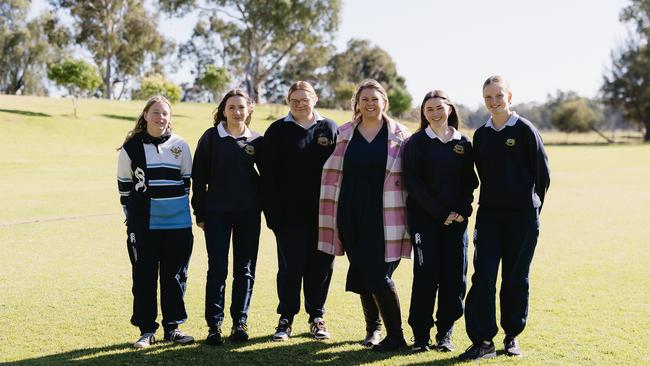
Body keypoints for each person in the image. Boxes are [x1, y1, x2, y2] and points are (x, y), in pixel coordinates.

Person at [459, 75, 550, 361]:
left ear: (509, 97)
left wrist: (531, 209)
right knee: (483, 276)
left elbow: (542, 175)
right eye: (488, 97)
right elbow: (479, 175)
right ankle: (483, 340)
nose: (493, 101)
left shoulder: (525, 130)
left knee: (515, 277)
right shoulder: (482, 135)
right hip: (489, 217)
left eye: (498, 96)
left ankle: (512, 336)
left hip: (523, 217)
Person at [318, 79, 411, 352]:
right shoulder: (344, 133)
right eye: (364, 99)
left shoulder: (400, 135)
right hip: (349, 213)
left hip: (387, 215)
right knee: (363, 271)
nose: (370, 104)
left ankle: (397, 335)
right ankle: (373, 330)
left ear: (385, 102)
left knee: (379, 273)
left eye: (375, 99)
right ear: (356, 103)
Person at [403, 90, 479, 353]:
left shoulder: (463, 143)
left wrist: (460, 212)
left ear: (449, 109)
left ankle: (445, 333)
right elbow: (414, 184)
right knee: (426, 276)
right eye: (429, 109)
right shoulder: (416, 143)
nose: (434, 113)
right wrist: (440, 213)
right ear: (424, 114)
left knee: (454, 278)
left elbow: (469, 182)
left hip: (456, 223)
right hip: (425, 222)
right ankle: (421, 335)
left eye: (438, 107)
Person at [117, 95, 194, 348]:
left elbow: (186, 182)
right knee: (144, 276)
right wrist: (135, 221)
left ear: (169, 118)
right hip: (144, 224)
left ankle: (173, 328)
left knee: (175, 276)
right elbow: (125, 188)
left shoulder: (180, 145)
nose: (160, 117)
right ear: (146, 115)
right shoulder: (131, 147)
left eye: (165, 113)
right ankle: (146, 330)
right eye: (156, 112)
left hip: (178, 224)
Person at [263, 81, 338, 341]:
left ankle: (317, 317)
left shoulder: (329, 127)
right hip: (288, 216)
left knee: (320, 266)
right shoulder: (277, 130)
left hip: (324, 215)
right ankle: (285, 319)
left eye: (304, 99)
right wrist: (273, 215)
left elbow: (340, 171)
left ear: (314, 99)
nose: (299, 104)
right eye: (294, 100)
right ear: (288, 101)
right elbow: (268, 176)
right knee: (290, 268)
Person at [192, 89, 263, 346]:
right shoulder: (211, 137)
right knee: (218, 269)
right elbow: (198, 178)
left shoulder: (257, 140)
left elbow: (268, 180)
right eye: (231, 107)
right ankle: (214, 326)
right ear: (223, 110)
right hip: (216, 214)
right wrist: (199, 212)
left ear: (249, 109)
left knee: (244, 270)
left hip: (248, 214)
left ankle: (240, 323)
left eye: (241, 107)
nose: (236, 112)